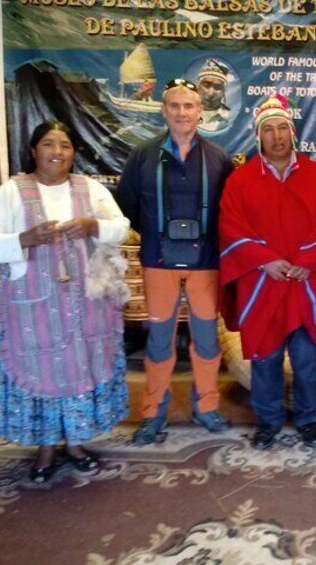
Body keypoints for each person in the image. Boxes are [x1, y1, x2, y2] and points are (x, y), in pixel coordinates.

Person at [0, 121, 130, 483]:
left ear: (73, 153)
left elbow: (121, 226)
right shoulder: (13, 192)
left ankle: (76, 444)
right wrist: (25, 238)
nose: (57, 152)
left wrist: (94, 226)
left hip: (84, 303)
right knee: (42, 369)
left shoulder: (88, 189)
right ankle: (45, 448)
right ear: (34, 150)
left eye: (64, 145)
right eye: (49, 144)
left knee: (80, 365)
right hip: (34, 306)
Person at [219, 94, 316, 451]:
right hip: (263, 283)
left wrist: (308, 260)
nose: (276, 136)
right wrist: (265, 261)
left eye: (282, 129)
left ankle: (307, 419)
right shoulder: (240, 181)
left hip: (306, 284)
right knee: (265, 357)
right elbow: (231, 227)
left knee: (306, 359)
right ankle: (269, 421)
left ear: (293, 133)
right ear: (259, 136)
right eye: (268, 129)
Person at [116, 79, 234, 446]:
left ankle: (207, 406)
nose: (182, 113)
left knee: (205, 341)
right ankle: (153, 412)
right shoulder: (142, 155)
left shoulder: (218, 157)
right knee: (159, 341)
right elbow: (128, 205)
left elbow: (229, 211)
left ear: (200, 111)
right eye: (175, 106)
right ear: (164, 110)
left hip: (205, 262)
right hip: (158, 260)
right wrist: (156, 233)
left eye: (189, 106)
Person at [196, 59, 232, 132]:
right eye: (206, 85)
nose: (211, 93)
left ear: (224, 91)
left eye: (217, 87)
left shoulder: (229, 116)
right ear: (198, 86)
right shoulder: (184, 112)